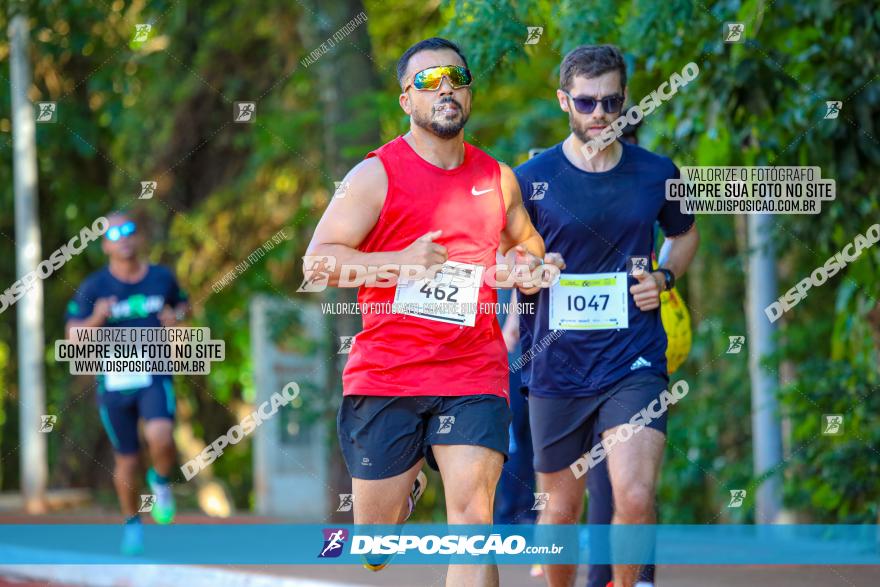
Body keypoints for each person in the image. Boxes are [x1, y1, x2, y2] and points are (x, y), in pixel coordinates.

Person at [303, 37, 563, 587]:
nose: (445, 86)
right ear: (406, 101)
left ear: (468, 92)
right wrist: (396, 262)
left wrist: (528, 268)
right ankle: (407, 486)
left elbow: (527, 246)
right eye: (427, 79)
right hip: (388, 373)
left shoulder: (497, 178)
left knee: (472, 523)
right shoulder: (374, 176)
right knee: (374, 548)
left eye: (456, 76)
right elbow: (318, 266)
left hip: (473, 370)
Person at [514, 45, 699, 587]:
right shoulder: (530, 178)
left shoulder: (656, 172)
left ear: (625, 100)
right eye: (587, 102)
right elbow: (506, 255)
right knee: (560, 512)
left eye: (611, 101)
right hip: (556, 366)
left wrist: (664, 277)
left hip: (634, 362)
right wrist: (530, 268)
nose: (599, 114)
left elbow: (684, 235)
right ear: (564, 101)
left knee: (635, 496)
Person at [65, 212, 188, 555]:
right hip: (115, 380)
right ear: (105, 245)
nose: (123, 238)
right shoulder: (94, 287)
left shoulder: (161, 278)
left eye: (130, 230)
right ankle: (132, 523)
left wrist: (175, 317)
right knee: (128, 460)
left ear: (139, 237)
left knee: (161, 436)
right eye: (115, 233)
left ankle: (161, 484)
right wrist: (96, 317)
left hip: (154, 372)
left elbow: (182, 305)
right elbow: (73, 337)